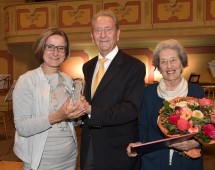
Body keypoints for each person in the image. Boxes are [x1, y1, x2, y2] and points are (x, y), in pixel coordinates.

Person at [13, 28, 87, 170]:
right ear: (42, 49)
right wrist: (57, 116)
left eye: (61, 48)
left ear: (66, 52)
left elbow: (72, 122)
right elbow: (22, 127)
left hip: (68, 157)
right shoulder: (27, 80)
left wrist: (78, 113)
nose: (55, 53)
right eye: (50, 47)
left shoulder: (67, 80)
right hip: (40, 160)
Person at [80, 10, 146, 170]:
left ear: (117, 34)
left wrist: (91, 110)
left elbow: (130, 109)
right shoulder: (87, 66)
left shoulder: (134, 66)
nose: (103, 35)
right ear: (92, 36)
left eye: (108, 29)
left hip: (118, 151)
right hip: (89, 146)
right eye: (97, 30)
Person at [127, 39, 205, 170]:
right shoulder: (148, 92)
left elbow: (204, 128)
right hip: (153, 162)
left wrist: (195, 142)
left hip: (187, 163)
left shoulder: (196, 91)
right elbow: (143, 126)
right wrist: (141, 144)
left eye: (173, 60)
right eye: (163, 61)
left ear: (182, 63)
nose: (169, 66)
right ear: (158, 66)